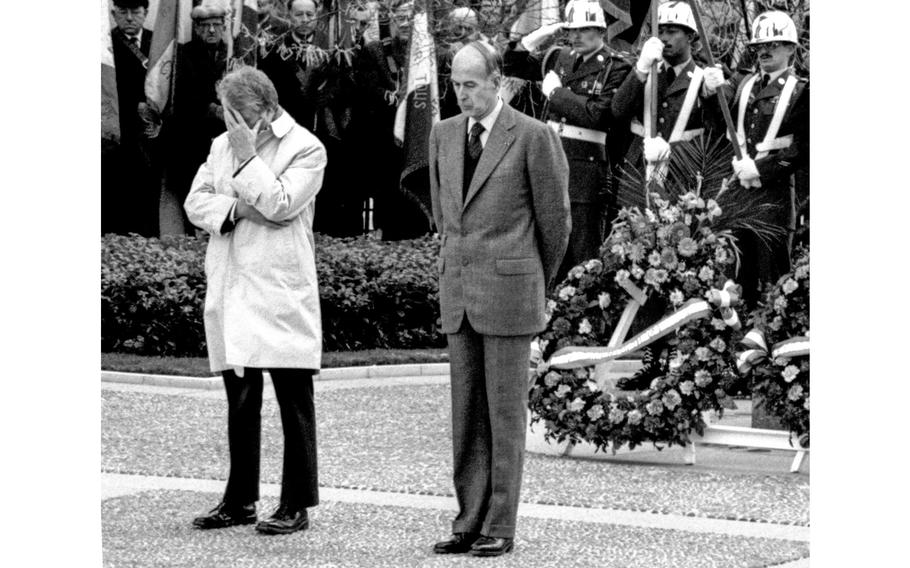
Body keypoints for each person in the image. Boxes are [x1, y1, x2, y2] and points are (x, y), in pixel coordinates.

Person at [428, 41, 571, 557]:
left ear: (497, 81)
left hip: (510, 291)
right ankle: (467, 518)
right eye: (456, 84)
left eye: (471, 85)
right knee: (466, 415)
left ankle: (500, 524)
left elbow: (556, 224)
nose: (462, 94)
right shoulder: (443, 135)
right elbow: (446, 215)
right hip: (460, 293)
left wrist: (532, 277)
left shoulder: (533, 136)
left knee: (505, 415)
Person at [185, 66, 326, 535]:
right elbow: (195, 202)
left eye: (241, 115)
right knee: (240, 401)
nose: (233, 124)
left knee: (293, 400)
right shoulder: (220, 145)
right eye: (227, 114)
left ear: (267, 109)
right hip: (232, 282)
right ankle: (239, 500)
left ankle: (296, 504)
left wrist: (247, 163)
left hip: (280, 287)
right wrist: (236, 208)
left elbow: (282, 204)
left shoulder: (306, 147)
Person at [503, 0, 632, 285]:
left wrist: (557, 94)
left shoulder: (615, 67)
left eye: (584, 29)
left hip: (584, 169)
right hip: (549, 161)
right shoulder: (559, 57)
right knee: (548, 244)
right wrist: (530, 39)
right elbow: (511, 64)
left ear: (600, 30)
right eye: (571, 29)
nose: (575, 36)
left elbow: (597, 115)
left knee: (582, 251)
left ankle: (582, 321)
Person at [705, 9, 808, 307]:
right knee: (733, 280)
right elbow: (718, 127)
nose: (763, 51)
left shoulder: (802, 91)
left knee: (771, 285)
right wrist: (712, 95)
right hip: (737, 197)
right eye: (758, 47)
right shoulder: (745, 85)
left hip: (773, 200)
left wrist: (762, 169)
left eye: (772, 45)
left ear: (791, 48)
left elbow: (802, 149)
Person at [611, 0, 722, 181]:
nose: (663, 38)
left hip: (682, 176)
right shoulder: (644, 71)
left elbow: (716, 134)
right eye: (660, 31)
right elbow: (618, 110)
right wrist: (640, 69)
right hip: (639, 172)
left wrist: (714, 94)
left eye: (672, 31)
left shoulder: (704, 79)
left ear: (691, 36)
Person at [103, 0, 157, 236]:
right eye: (123, 12)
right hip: (119, 131)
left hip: (153, 133)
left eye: (135, 12)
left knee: (149, 190)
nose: (129, 18)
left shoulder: (160, 43)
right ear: (114, 14)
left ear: (145, 13)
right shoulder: (105, 47)